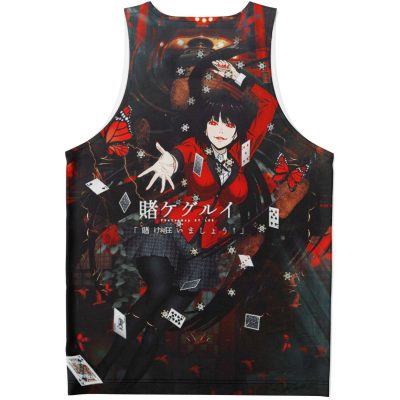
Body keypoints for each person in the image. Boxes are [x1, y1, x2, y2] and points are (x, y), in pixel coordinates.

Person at [95, 59, 278, 385]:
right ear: (204, 125)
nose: (220, 130)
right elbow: (177, 156)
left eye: (228, 124)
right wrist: (169, 161)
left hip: (203, 252)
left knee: (159, 326)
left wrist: (240, 77)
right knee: (158, 291)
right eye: (213, 122)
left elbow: (269, 106)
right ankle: (102, 369)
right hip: (169, 233)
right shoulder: (194, 147)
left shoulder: (242, 153)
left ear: (236, 129)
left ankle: (126, 387)